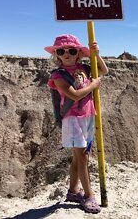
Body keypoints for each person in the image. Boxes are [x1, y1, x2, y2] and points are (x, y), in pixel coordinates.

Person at [45, 34, 109, 214]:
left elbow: (104, 71)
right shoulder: (58, 75)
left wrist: (96, 55)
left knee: (78, 156)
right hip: (72, 119)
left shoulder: (84, 68)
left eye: (72, 50)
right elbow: (74, 95)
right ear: (56, 55)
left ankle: (73, 192)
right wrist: (94, 85)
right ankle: (89, 196)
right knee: (83, 158)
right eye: (61, 51)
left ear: (78, 53)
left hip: (88, 116)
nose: (66, 53)